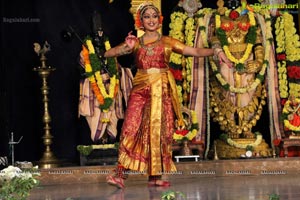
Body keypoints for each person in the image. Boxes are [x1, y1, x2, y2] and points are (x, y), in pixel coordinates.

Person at [104, 2, 231, 189]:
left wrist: (216, 52)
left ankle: (155, 176)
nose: (151, 20)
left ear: (159, 19)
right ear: (141, 21)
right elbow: (108, 53)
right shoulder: (135, 42)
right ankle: (121, 174)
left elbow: (194, 51)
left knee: (160, 131)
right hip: (140, 90)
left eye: (154, 16)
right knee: (130, 128)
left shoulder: (167, 42)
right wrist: (125, 48)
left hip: (162, 90)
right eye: (146, 17)